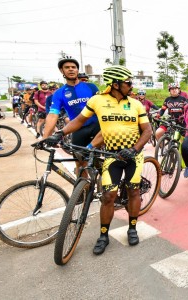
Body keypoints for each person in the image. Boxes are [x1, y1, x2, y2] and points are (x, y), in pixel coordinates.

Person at [45, 65, 152, 255]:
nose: (131, 86)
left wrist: (134, 149)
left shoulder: (136, 104)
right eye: (128, 83)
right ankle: (103, 235)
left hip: (133, 155)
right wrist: (59, 133)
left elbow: (147, 131)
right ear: (116, 84)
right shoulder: (97, 101)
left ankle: (132, 228)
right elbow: (78, 120)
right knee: (108, 197)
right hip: (112, 155)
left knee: (133, 191)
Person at [43, 56, 100, 174]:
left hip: (97, 127)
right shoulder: (59, 93)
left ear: (77, 70)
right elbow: (53, 115)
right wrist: (45, 138)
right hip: (78, 129)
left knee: (100, 161)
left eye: (73, 67)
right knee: (80, 164)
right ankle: (83, 190)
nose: (71, 69)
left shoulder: (91, 87)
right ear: (61, 71)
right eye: (67, 67)